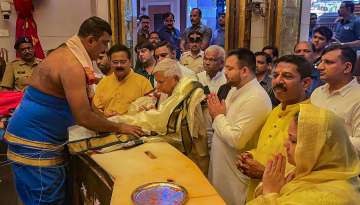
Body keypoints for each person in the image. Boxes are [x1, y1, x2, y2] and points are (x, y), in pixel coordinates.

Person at [3, 17, 143, 205]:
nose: (105, 49)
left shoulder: (69, 53)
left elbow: (90, 106)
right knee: (47, 200)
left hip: (38, 140)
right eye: (104, 43)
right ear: (91, 40)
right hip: (35, 144)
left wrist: (112, 124)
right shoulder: (71, 65)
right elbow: (84, 116)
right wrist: (119, 128)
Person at [246, 104, 360, 205]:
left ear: (318, 149)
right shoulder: (305, 169)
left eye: (294, 141)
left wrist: (269, 193)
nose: (285, 144)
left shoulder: (334, 196)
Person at [237, 55, 313, 201]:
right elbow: (266, 148)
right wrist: (250, 156)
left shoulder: (309, 120)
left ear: (306, 83)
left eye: (287, 76)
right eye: (275, 75)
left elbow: (307, 174)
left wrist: (264, 173)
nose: (278, 81)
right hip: (257, 192)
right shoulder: (276, 110)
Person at [208, 48, 272, 205]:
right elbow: (223, 125)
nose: (225, 72)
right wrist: (219, 116)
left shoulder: (256, 98)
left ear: (244, 71)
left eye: (230, 68)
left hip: (236, 173)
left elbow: (237, 140)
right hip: (222, 164)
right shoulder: (234, 90)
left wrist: (218, 116)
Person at [311, 44, 360, 154]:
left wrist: (324, 140)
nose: (319, 67)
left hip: (345, 167)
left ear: (347, 67)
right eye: (321, 62)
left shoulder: (357, 97)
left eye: (328, 62)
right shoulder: (317, 93)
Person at [92, 44, 153, 116]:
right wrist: (105, 114)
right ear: (110, 62)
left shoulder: (143, 82)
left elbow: (150, 109)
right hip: (108, 124)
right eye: (115, 62)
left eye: (123, 62)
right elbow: (95, 108)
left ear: (130, 62)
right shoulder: (103, 82)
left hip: (133, 125)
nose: (119, 65)